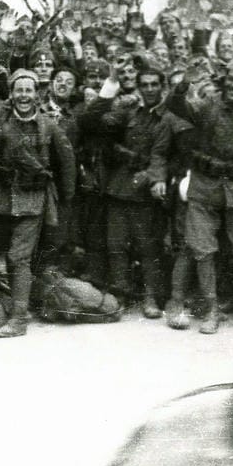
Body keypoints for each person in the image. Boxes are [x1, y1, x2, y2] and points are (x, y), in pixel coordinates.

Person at [0, 49, 75, 338]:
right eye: (18, 89)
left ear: (36, 94)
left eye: (28, 90)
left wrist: (65, 201)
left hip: (32, 199)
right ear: (11, 92)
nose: (23, 95)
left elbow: (66, 162)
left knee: (19, 258)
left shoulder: (49, 126)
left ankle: (19, 319)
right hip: (1, 199)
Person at [165, 55, 233, 333]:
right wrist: (184, 84)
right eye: (232, 79)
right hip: (205, 185)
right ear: (225, 81)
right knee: (202, 249)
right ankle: (212, 309)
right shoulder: (205, 107)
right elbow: (174, 105)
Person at [82, 66, 171, 316]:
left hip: (149, 190)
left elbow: (172, 153)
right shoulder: (129, 111)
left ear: (162, 87)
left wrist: (155, 175)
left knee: (148, 246)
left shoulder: (169, 115)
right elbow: (93, 122)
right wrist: (111, 84)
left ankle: (151, 297)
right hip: (120, 187)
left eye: (155, 84)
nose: (150, 89)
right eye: (146, 84)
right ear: (139, 87)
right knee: (116, 244)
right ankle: (119, 294)